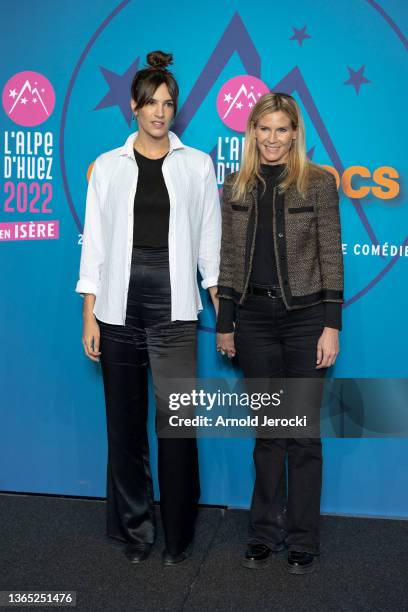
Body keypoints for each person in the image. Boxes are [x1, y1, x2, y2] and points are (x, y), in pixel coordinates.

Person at [75, 51, 220, 566]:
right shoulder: (108, 168)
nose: (161, 111)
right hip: (117, 309)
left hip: (176, 308)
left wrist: (220, 305)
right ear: (133, 107)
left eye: (169, 102)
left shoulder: (197, 165)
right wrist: (90, 312)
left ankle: (179, 534)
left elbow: (209, 245)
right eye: (151, 102)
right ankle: (137, 532)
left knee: (176, 424)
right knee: (125, 424)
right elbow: (94, 243)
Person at [216, 92, 343, 574]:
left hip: (306, 320)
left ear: (295, 134)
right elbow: (229, 259)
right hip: (253, 323)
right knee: (268, 433)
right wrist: (226, 323)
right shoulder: (237, 185)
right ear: (253, 133)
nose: (272, 139)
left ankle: (304, 537)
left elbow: (331, 255)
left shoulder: (317, 184)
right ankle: (264, 532)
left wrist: (331, 324)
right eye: (263, 129)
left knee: (304, 435)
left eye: (281, 130)